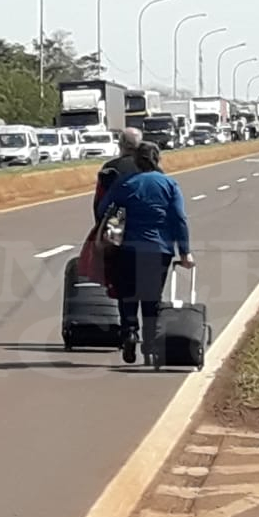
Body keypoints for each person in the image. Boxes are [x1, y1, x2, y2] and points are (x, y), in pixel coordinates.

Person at [96, 141, 193, 365]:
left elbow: (103, 210)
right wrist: (185, 251)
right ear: (158, 159)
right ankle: (150, 343)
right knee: (152, 297)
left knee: (127, 294)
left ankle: (130, 332)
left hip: (127, 248)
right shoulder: (169, 184)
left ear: (136, 161)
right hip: (159, 250)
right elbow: (179, 218)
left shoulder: (125, 184)